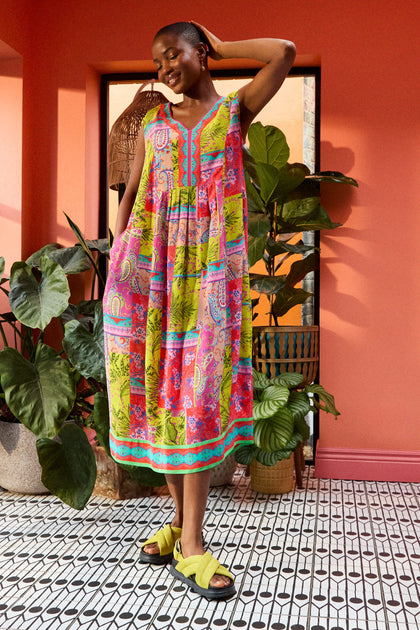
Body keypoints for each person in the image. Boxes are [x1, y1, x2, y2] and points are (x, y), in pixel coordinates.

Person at [103, 21, 296, 600]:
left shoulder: (233, 114)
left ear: (200, 54)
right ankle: (179, 524)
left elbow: (283, 53)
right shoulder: (153, 125)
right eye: (157, 59)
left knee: (195, 400)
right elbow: (133, 196)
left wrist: (226, 45)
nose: (164, 67)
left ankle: (192, 545)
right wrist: (116, 262)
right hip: (147, 278)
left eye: (173, 53)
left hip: (210, 283)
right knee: (149, 395)